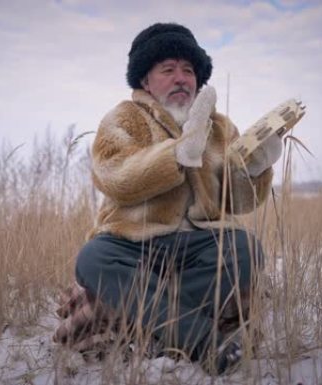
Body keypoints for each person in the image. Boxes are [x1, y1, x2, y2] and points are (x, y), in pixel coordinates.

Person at [72, 22, 283, 375]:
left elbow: (237, 202)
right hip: (132, 244)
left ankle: (152, 325)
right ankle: (205, 342)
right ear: (145, 80)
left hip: (200, 243)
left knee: (246, 249)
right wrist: (176, 154)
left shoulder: (220, 127)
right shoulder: (124, 118)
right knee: (94, 258)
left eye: (188, 70)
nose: (181, 78)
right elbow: (114, 176)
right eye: (167, 70)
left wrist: (256, 168)